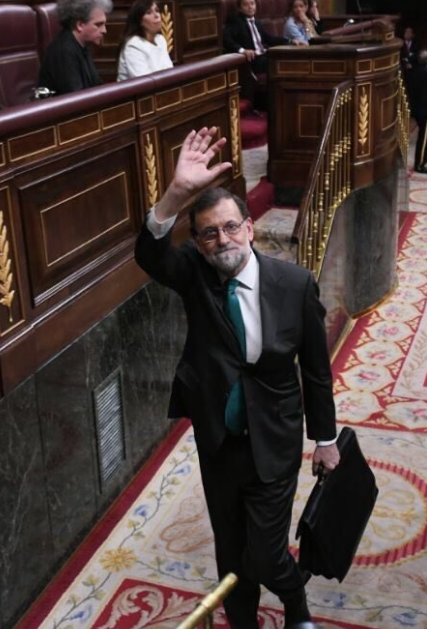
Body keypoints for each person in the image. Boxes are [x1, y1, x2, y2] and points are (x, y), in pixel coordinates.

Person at [134, 128, 339, 629]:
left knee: (266, 554)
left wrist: (326, 439)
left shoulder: (294, 285)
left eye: (229, 227)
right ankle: (243, 622)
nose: (221, 239)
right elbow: (149, 253)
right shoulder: (196, 277)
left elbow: (315, 369)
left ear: (249, 228)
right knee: (231, 549)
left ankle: (294, 601)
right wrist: (175, 196)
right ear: (199, 244)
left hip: (276, 435)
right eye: (208, 233)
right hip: (219, 440)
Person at [37, 0, 111, 93]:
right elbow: (76, 99)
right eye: (98, 25)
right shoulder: (64, 51)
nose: (104, 30)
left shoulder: (82, 45)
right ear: (80, 25)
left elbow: (96, 86)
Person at [223, 0, 288, 75]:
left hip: (265, 54)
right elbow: (226, 39)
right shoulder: (236, 22)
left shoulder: (257, 22)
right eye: (246, 5)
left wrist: (289, 41)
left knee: (287, 57)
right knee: (279, 63)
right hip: (254, 59)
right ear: (240, 8)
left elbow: (268, 38)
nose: (250, 7)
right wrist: (242, 50)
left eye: (252, 3)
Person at [116, 0, 173, 81]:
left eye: (157, 11)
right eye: (149, 12)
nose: (157, 15)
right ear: (140, 21)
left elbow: (170, 71)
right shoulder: (133, 45)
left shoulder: (160, 39)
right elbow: (143, 82)